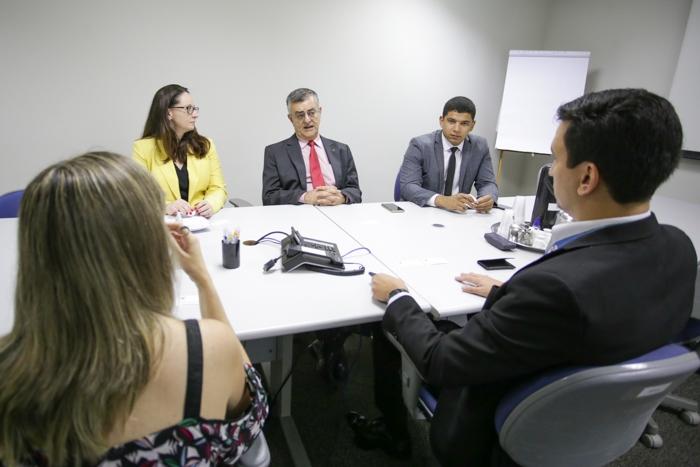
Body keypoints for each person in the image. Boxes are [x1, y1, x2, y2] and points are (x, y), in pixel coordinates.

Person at [349, 89, 697, 465]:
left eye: (555, 157)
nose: (551, 168)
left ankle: (396, 435)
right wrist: (511, 293)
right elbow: (598, 305)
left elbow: (442, 361)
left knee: (391, 326)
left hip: (498, 428)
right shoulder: (680, 249)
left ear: (586, 177)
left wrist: (399, 295)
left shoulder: (551, 290)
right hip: (588, 423)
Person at [0, 153, 267, 465]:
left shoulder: (11, 374)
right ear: (145, 246)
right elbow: (248, 403)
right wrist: (202, 279)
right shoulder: (206, 349)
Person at [133, 84, 227, 218]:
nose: (195, 114)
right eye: (189, 109)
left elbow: (218, 188)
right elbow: (138, 196)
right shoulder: (142, 148)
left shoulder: (206, 145)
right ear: (168, 113)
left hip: (202, 222)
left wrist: (210, 204)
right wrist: (166, 206)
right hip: (166, 226)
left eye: (195, 108)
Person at [262, 87, 362, 206]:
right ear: (291, 119)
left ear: (320, 111)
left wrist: (342, 197)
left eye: (311, 113)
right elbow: (269, 197)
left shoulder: (342, 150)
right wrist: (305, 197)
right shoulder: (275, 152)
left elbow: (355, 191)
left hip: (337, 211)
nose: (307, 120)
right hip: (299, 215)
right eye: (300, 115)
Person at [398, 96, 498, 212]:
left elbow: (487, 183)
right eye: (451, 121)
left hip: (459, 213)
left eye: (464, 123)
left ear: (472, 125)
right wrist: (442, 200)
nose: (456, 129)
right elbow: (408, 186)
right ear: (441, 121)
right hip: (424, 211)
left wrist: (487, 198)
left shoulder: (480, 146)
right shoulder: (420, 145)